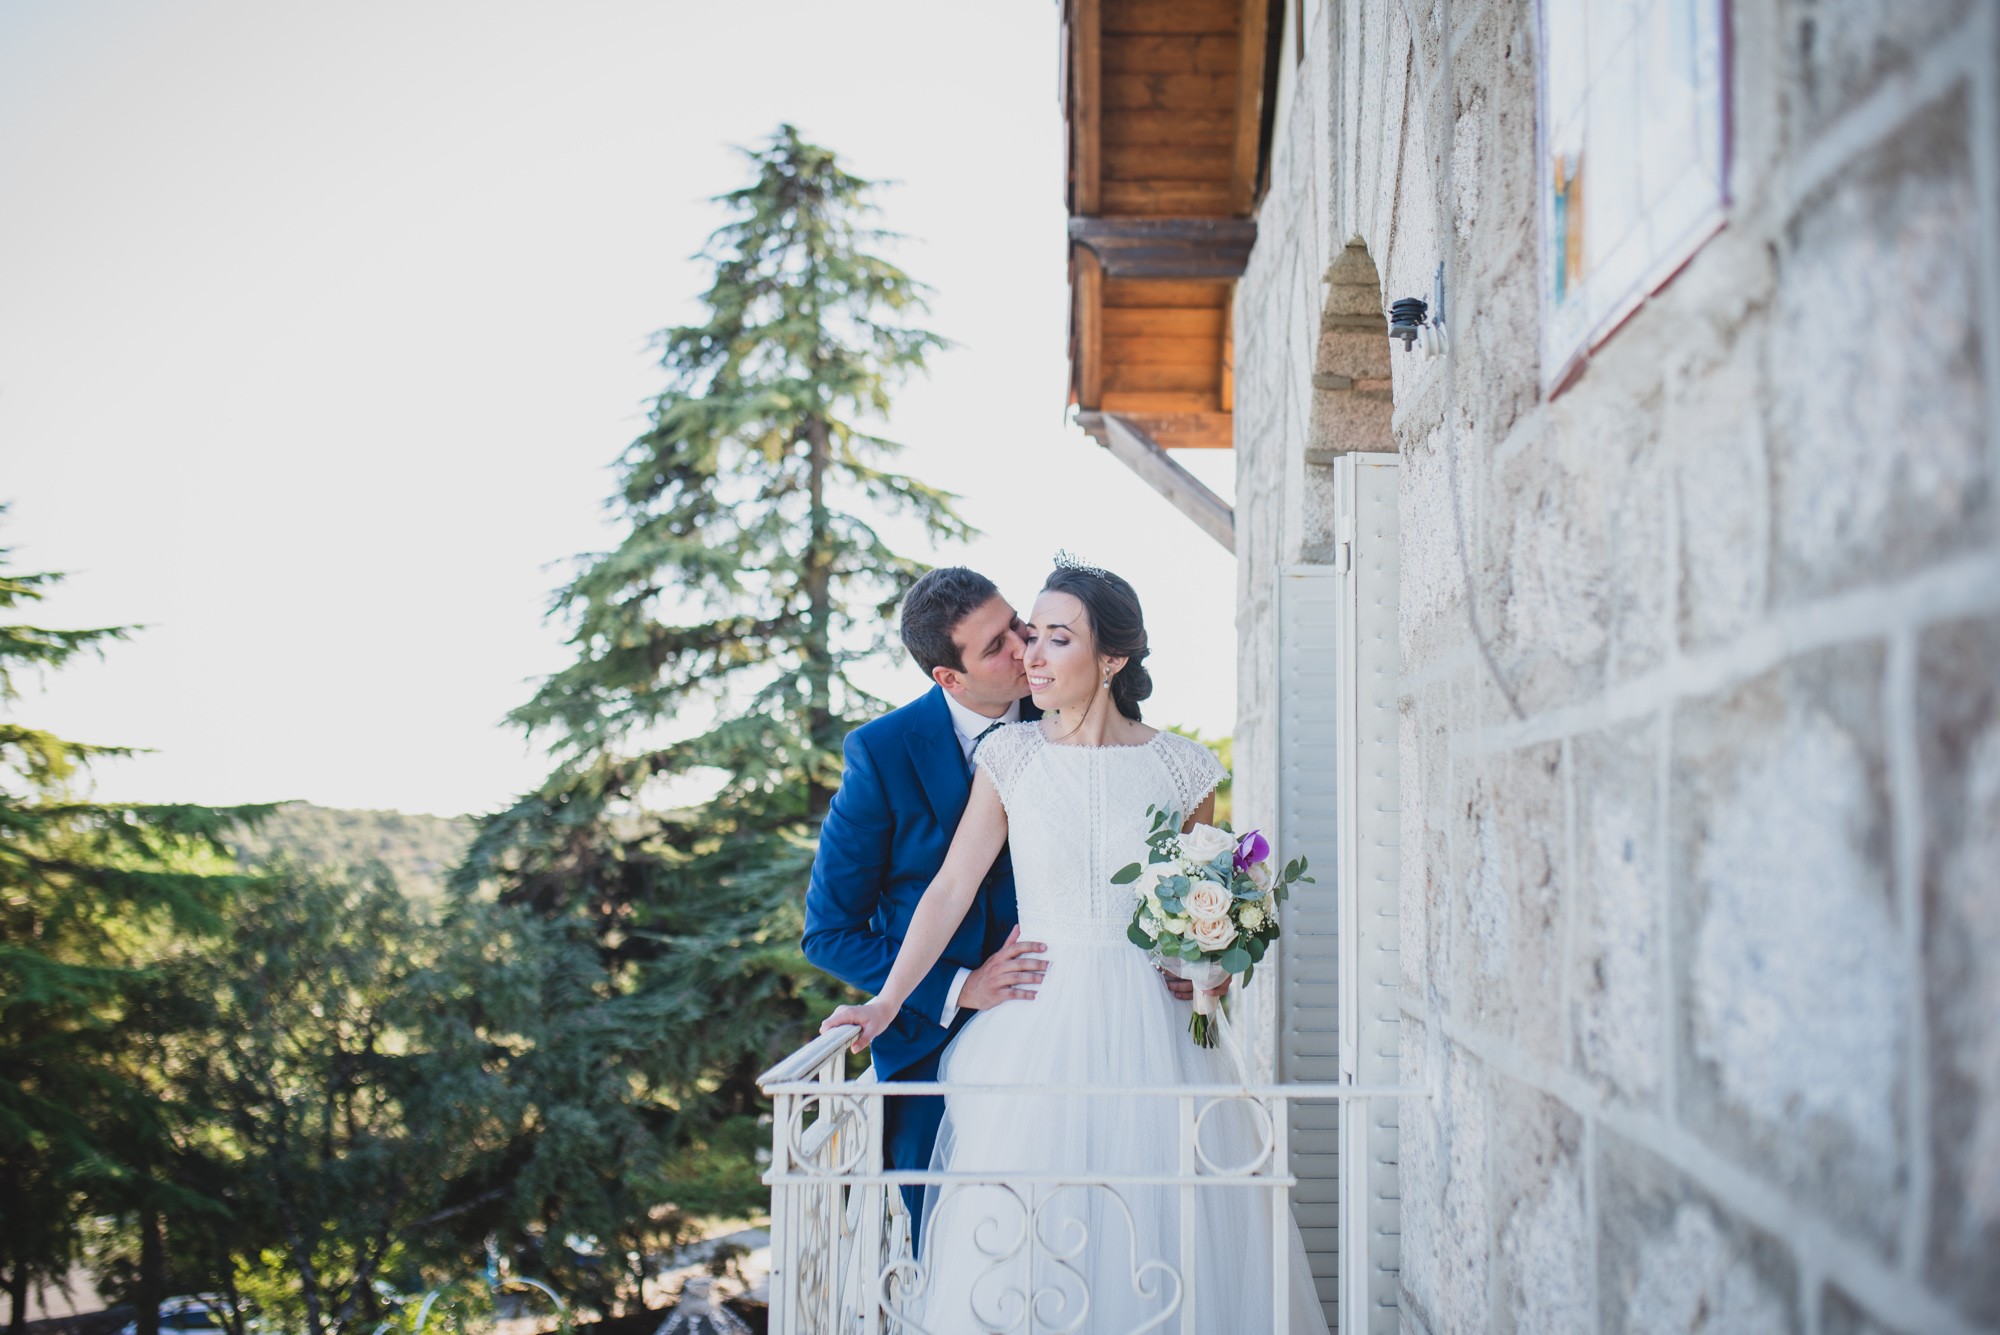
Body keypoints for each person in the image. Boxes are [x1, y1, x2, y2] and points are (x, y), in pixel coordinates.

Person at [820, 560, 1328, 1334]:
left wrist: (1210, 970)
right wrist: (887, 1001)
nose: (1032, 652)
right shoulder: (1011, 757)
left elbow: (1200, 902)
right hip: (1037, 1027)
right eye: (1031, 634)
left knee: (1169, 1227)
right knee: (1029, 1242)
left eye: (1056, 637)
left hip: (1157, 1037)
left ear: (1113, 658)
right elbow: (949, 889)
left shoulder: (1183, 767)